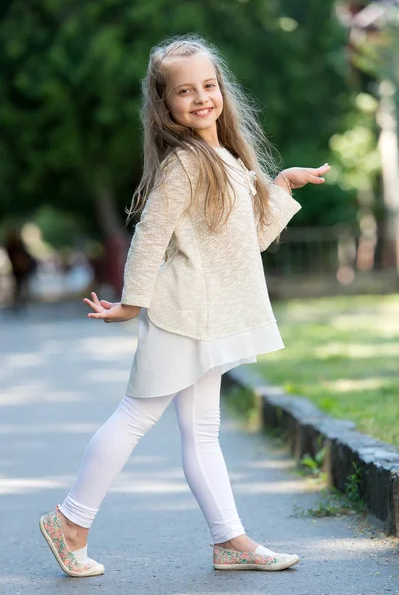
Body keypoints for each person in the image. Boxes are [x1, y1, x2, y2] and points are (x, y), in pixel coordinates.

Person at [39, 34, 330, 577]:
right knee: (134, 417)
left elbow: (250, 243)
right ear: (164, 103)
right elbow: (150, 236)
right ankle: (70, 522)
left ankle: (230, 542)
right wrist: (131, 303)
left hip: (210, 316)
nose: (200, 98)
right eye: (184, 91)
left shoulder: (227, 158)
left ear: (222, 91)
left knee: (200, 431)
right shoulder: (186, 163)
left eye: (209, 86)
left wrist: (281, 186)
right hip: (181, 314)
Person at [5, 227, 37, 312]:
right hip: (17, 269)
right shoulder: (13, 245)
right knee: (18, 286)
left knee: (20, 286)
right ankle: (18, 302)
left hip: (21, 269)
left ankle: (20, 302)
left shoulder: (17, 244)